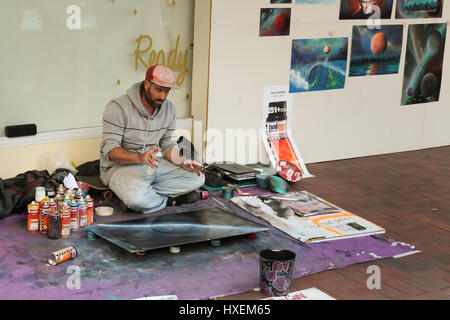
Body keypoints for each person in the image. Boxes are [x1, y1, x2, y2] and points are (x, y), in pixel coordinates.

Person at [100, 64, 205, 213]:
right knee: (136, 199)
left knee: (198, 178)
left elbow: (167, 145)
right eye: (159, 90)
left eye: (167, 91)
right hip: (118, 168)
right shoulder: (118, 107)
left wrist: (182, 161)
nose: (163, 96)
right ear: (147, 84)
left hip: (152, 164)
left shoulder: (169, 109)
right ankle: (170, 200)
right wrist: (140, 158)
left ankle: (144, 194)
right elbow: (109, 150)